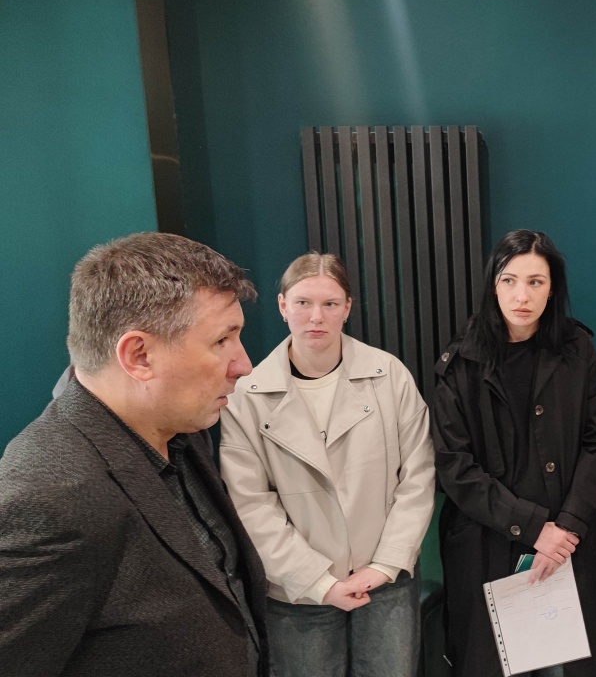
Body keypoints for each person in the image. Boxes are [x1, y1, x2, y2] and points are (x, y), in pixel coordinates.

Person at [0, 232, 269, 677]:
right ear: (139, 356)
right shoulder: (48, 498)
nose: (243, 364)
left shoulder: (184, 430)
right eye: (223, 340)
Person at [219, 253, 436, 677]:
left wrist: (385, 564)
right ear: (282, 306)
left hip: (385, 581)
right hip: (297, 592)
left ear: (347, 307)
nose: (316, 317)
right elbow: (250, 503)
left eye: (330, 304)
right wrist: (319, 581)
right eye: (303, 303)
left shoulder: (389, 376)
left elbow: (418, 475)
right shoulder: (247, 394)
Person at [430, 229, 596, 677]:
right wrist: (534, 528)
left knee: (576, 665)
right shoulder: (461, 361)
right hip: (488, 541)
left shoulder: (578, 350)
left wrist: (565, 527)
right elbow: (455, 466)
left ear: (552, 289)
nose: (522, 296)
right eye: (510, 280)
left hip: (568, 539)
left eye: (536, 282)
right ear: (493, 285)